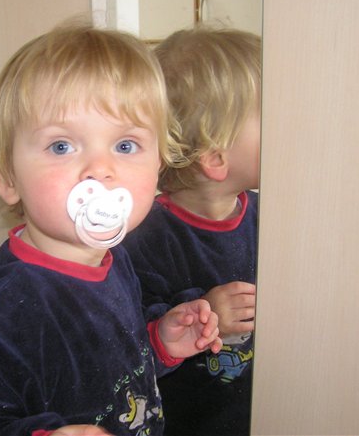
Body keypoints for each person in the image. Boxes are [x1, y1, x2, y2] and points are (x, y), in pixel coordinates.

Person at [0, 22, 223, 436]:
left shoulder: (113, 259)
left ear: (158, 165)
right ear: (7, 177)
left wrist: (159, 342)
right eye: (61, 146)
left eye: (125, 145)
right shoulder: (5, 308)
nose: (100, 169)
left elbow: (115, 369)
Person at [122, 26, 261, 436]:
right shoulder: (145, 239)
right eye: (271, 117)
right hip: (186, 421)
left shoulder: (270, 219)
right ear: (216, 158)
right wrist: (203, 311)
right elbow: (130, 343)